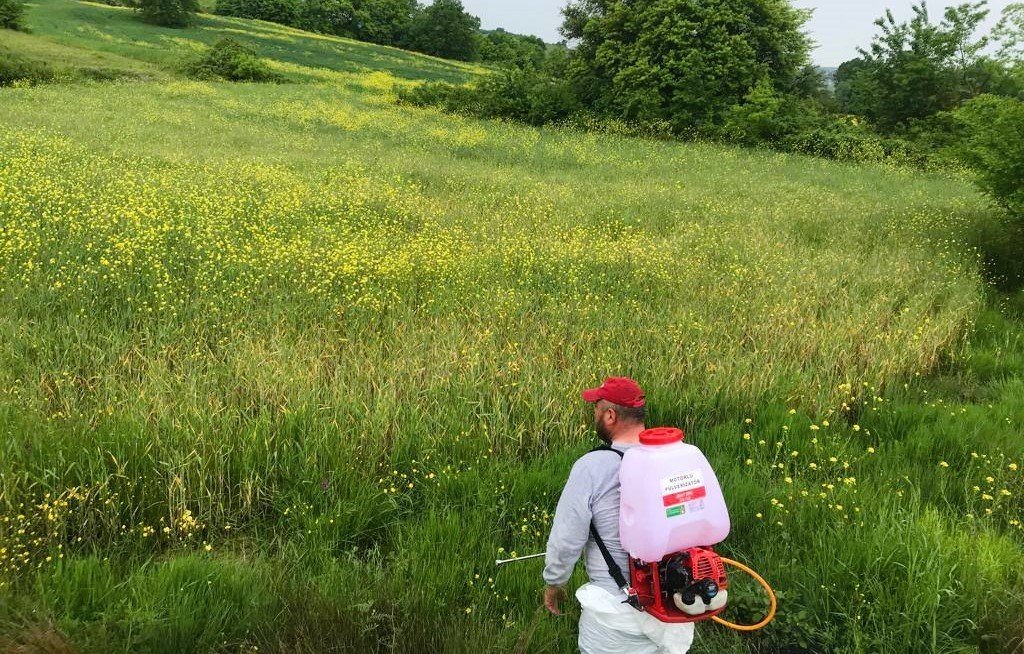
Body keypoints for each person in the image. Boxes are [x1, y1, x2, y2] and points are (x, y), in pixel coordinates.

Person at [542, 377, 694, 654]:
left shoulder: (593, 466)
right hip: (676, 606)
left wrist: (555, 581)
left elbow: (567, 538)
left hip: (615, 619)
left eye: (596, 410)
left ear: (610, 415)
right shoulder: (678, 458)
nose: (594, 415)